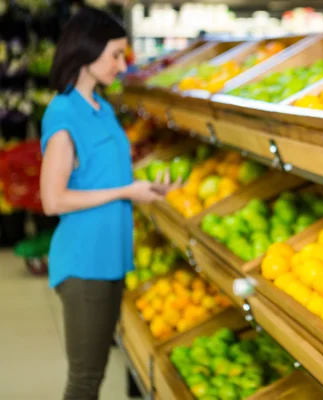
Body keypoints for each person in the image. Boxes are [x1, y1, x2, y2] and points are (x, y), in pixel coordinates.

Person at [40, 7, 169, 400]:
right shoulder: (63, 113)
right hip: (84, 265)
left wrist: (146, 185)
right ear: (86, 51)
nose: (121, 64)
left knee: (93, 374)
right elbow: (52, 199)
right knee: (86, 379)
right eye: (114, 54)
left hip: (112, 258)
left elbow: (107, 174)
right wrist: (126, 193)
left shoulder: (104, 107)